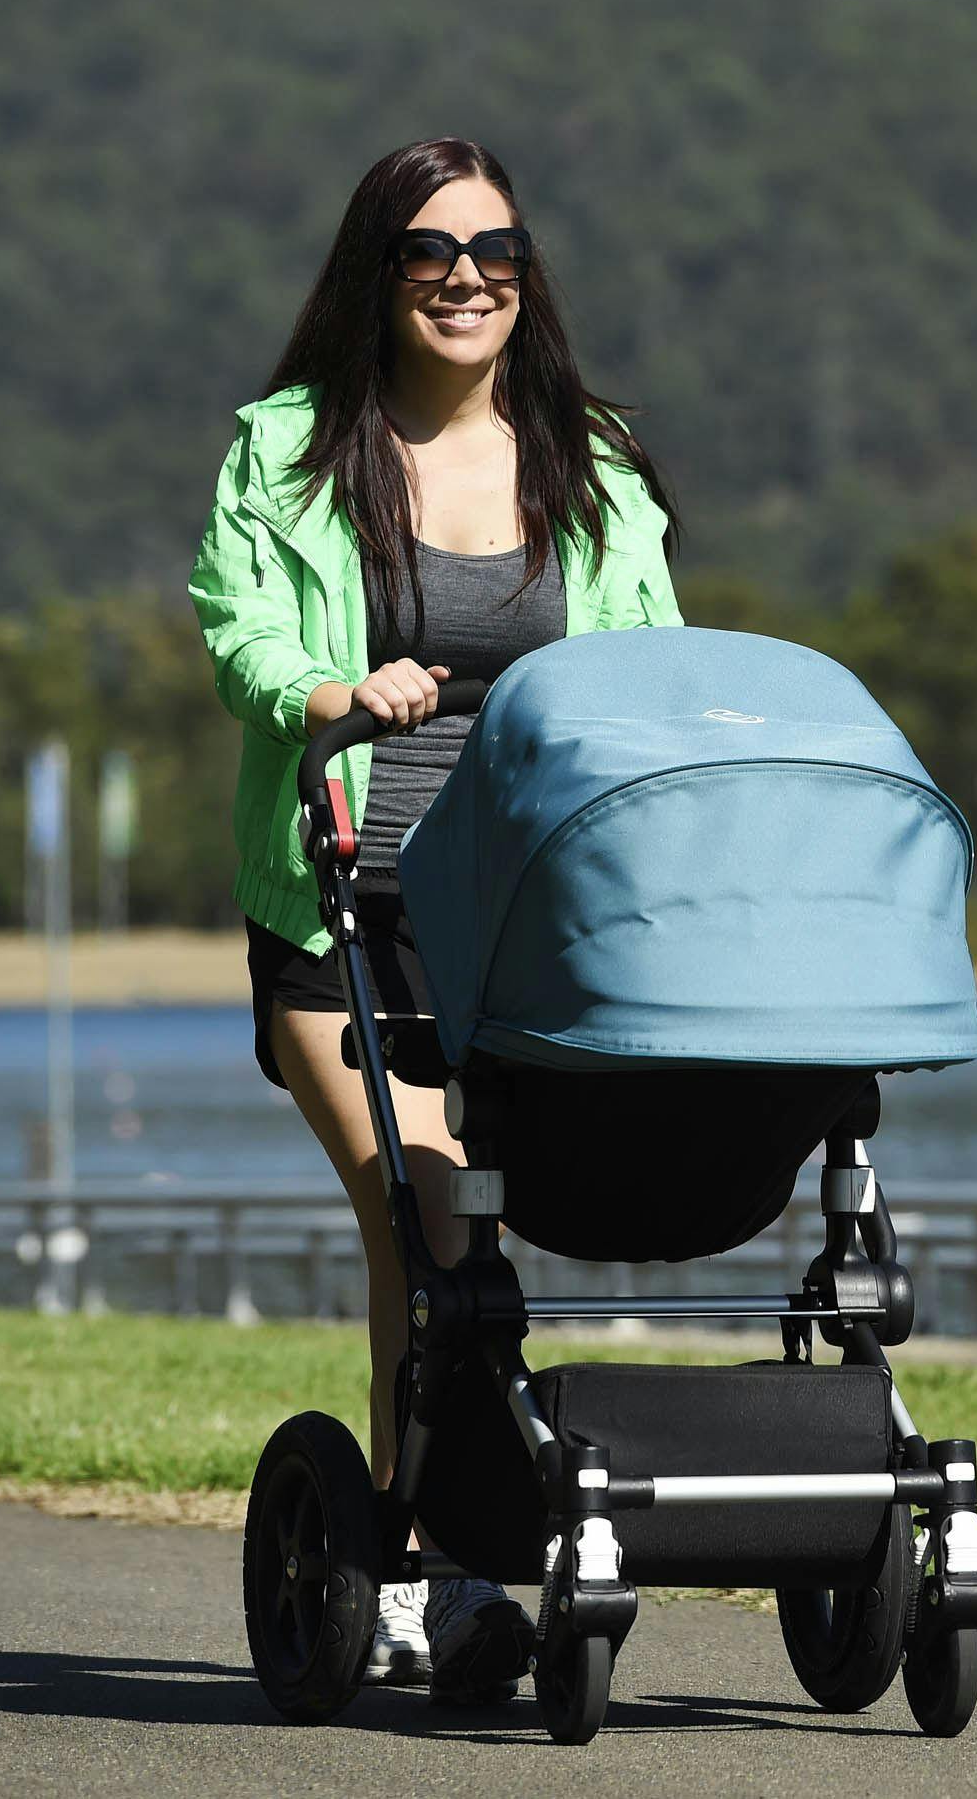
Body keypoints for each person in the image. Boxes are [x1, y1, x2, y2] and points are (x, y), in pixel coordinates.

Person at [189, 137, 682, 1695]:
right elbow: (236, 622)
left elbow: (655, 650)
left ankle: (408, 1530)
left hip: (530, 910)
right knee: (432, 1207)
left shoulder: (586, 458)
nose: (468, 279)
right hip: (341, 901)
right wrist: (327, 691)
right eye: (430, 252)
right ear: (378, 271)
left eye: (498, 253)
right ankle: (469, 1569)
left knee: (439, 1243)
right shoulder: (285, 451)